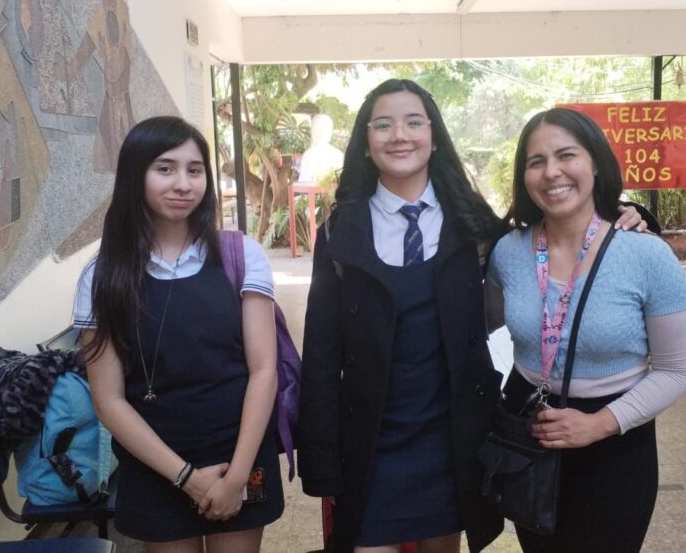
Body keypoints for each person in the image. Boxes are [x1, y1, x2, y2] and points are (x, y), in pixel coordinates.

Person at [297, 79, 650, 553]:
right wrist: (320, 458)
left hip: (450, 438)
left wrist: (625, 212)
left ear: (434, 137)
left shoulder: (476, 227)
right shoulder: (340, 231)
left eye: (413, 122)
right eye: (383, 125)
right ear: (365, 142)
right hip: (370, 439)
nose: (399, 135)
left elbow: (558, 227)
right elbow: (320, 352)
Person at [485, 107, 686, 553]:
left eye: (567, 155)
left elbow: (678, 368)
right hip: (530, 430)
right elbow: (476, 326)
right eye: (536, 161)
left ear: (596, 163)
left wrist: (599, 424)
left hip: (617, 442)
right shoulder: (508, 251)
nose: (552, 172)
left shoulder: (645, 255)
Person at [73, 116, 284, 552]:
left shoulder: (240, 255)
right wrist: (186, 477)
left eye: (195, 170)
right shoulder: (102, 275)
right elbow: (108, 400)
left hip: (239, 455)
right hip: (156, 465)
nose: (183, 184)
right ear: (136, 175)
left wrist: (237, 477)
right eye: (165, 168)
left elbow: (264, 370)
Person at [298, 113, 344, 183]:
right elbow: (304, 183)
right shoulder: (308, 155)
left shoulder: (338, 155)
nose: (320, 132)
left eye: (324, 128)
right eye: (317, 128)